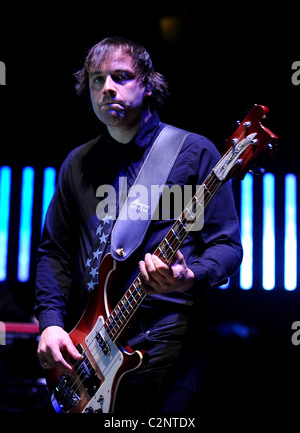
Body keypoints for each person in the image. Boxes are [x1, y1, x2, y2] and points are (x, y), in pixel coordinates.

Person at [35, 36, 243, 413]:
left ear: (148, 83)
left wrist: (189, 276)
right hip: (89, 348)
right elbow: (55, 253)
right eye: (97, 80)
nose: (107, 88)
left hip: (167, 341)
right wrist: (50, 323)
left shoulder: (193, 153)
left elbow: (227, 247)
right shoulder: (77, 163)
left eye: (120, 76)